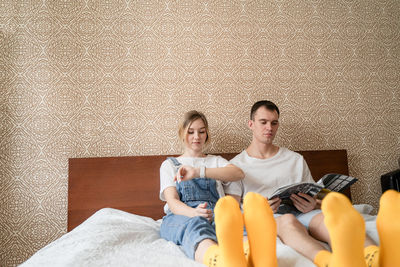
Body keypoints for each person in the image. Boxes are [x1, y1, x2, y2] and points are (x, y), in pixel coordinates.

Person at [224, 100, 379, 266]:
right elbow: (231, 211)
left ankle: (374, 256)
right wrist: (259, 211)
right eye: (263, 122)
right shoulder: (236, 166)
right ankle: (328, 261)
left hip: (304, 212)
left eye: (274, 123)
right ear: (251, 124)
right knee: (289, 221)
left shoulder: (295, 159)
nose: (269, 128)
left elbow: (316, 196)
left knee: (335, 218)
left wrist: (314, 204)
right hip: (271, 217)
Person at [159, 110, 245, 264]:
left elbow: (238, 173)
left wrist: (199, 172)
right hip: (181, 216)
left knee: (233, 224)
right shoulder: (169, 165)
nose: (196, 137)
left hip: (214, 214)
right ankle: (219, 261)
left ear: (207, 134)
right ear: (182, 133)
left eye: (201, 131)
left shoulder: (216, 161)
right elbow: (172, 202)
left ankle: (249, 255)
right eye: (190, 132)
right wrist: (193, 213)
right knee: (196, 225)